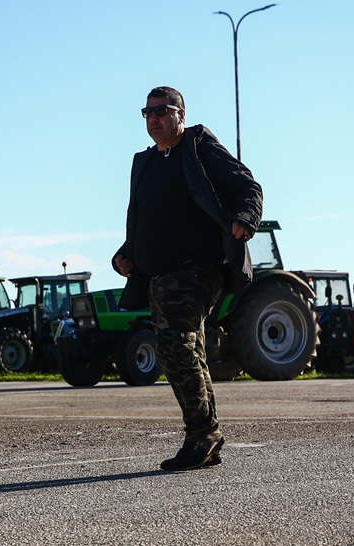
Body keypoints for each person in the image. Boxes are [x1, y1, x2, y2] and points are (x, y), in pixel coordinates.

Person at [112, 86, 263, 472]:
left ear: (180, 113)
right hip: (158, 274)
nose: (154, 118)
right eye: (147, 113)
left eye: (162, 111)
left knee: (175, 343)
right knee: (182, 349)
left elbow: (247, 186)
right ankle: (206, 436)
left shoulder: (197, 146)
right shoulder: (143, 163)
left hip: (198, 266)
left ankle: (202, 434)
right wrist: (126, 253)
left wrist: (245, 219)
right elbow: (144, 217)